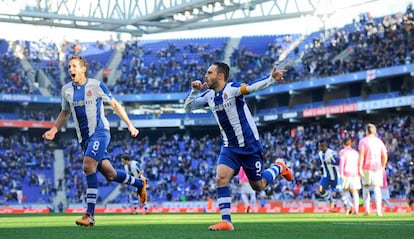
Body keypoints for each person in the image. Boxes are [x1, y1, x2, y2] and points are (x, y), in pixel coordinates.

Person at [184, 61, 293, 231]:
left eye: (209, 73)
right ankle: (226, 221)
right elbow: (188, 107)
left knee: (258, 185)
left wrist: (271, 79)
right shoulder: (208, 95)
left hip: (249, 146)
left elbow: (251, 88)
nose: (206, 76)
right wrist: (194, 91)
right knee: (220, 178)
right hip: (229, 147)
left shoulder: (232, 89)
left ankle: (279, 167)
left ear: (220, 76)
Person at [42, 55, 147, 226]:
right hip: (84, 139)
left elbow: (115, 105)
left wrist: (130, 125)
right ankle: (139, 183)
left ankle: (89, 214)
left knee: (88, 166)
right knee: (110, 175)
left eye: (74, 66)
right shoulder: (66, 90)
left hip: (100, 132)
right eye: (69, 67)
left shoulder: (96, 85)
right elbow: (65, 112)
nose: (71, 70)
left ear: (83, 69)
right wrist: (54, 130)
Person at [358, 123, 388, 216]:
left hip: (367, 167)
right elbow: (385, 156)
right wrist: (383, 167)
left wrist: (359, 168)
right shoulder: (379, 141)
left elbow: (361, 155)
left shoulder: (363, 141)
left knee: (366, 188)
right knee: (377, 188)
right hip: (378, 167)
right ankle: (379, 211)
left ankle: (367, 210)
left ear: (367, 131)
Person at [317, 139, 349, 213]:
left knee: (340, 192)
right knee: (320, 189)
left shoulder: (331, 153)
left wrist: (330, 162)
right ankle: (331, 201)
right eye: (319, 146)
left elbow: (338, 161)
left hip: (334, 175)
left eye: (322, 146)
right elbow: (320, 162)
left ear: (326, 146)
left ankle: (347, 206)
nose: (321, 148)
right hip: (325, 175)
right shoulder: (320, 153)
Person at [339, 137, 361, 215]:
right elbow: (359, 164)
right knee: (355, 191)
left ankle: (350, 206)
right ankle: (356, 209)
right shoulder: (355, 153)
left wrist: (341, 173)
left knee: (346, 190)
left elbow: (342, 163)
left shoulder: (342, 152)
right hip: (355, 173)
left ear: (343, 144)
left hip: (346, 173)